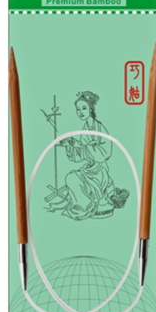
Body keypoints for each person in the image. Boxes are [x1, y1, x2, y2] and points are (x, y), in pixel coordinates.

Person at [48, 91, 116, 220]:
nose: (80, 112)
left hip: (100, 169)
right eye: (78, 109)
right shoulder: (84, 130)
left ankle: (88, 206)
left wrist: (82, 145)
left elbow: (105, 152)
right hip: (89, 168)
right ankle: (82, 205)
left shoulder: (100, 128)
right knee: (70, 177)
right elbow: (80, 155)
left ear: (91, 109)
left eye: (84, 108)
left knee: (76, 179)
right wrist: (70, 145)